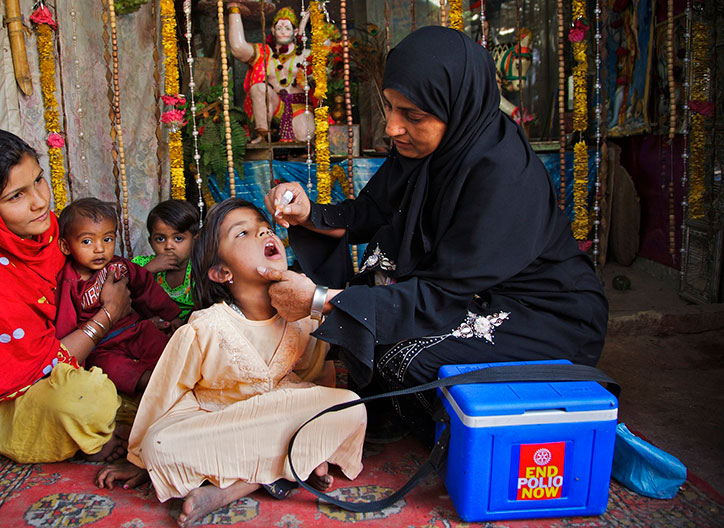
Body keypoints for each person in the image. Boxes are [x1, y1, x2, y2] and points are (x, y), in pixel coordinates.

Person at [260, 26, 608, 441]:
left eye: (413, 115)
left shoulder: (502, 177)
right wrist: (307, 212)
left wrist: (320, 301)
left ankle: (471, 432)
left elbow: (441, 293)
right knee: (374, 314)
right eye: (389, 107)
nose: (392, 128)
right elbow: (370, 211)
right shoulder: (431, 146)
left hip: (545, 314)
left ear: (455, 106)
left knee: (400, 357)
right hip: (468, 290)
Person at [96, 198, 366, 527]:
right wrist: (138, 459)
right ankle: (291, 467)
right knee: (159, 445)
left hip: (278, 418)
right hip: (220, 424)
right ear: (221, 272)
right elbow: (163, 395)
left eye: (266, 229)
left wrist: (320, 422)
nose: (264, 234)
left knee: (350, 406)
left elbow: (315, 379)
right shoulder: (205, 327)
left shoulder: (301, 319)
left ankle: (232, 488)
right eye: (243, 233)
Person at [0, 128, 132, 463]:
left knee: (154, 374)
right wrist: (107, 315)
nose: (39, 201)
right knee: (88, 401)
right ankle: (91, 433)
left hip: (69, 355)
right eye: (16, 196)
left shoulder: (46, 233)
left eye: (38, 180)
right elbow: (35, 368)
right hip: (9, 399)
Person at [55, 198, 182, 396]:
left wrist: (172, 315)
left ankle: (178, 376)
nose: (99, 248)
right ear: (66, 246)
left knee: (166, 349)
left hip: (135, 329)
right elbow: (65, 324)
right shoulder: (70, 282)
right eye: (87, 241)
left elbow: (145, 287)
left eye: (107, 239)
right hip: (102, 346)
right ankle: (150, 383)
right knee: (115, 371)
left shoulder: (119, 266)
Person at [227, 3, 315, 143]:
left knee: (305, 136)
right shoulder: (264, 53)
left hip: (300, 106)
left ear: (295, 31)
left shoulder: (306, 55)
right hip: (276, 105)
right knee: (259, 87)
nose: (283, 32)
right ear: (273, 31)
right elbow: (238, 48)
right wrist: (234, 10)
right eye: (279, 28)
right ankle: (263, 134)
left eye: (287, 28)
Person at [131, 199, 200, 322]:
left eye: (178, 238)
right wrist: (147, 271)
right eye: (160, 239)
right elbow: (124, 292)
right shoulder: (141, 265)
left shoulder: (200, 268)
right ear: (150, 242)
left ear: (195, 240)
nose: (169, 246)